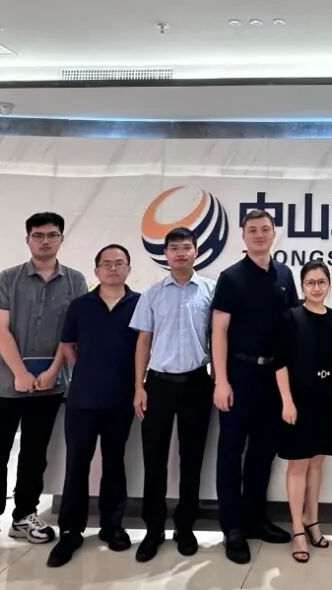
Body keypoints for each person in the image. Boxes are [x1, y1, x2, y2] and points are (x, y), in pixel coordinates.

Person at [0, 212, 88, 568]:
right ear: (28, 239)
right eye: (38, 235)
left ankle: (24, 515)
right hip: (4, 384)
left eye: (52, 235)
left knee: (35, 454)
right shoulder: (8, 279)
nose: (45, 241)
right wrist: (19, 372)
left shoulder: (76, 281)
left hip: (49, 385)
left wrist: (53, 371)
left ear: (61, 239)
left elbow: (72, 333)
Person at [211, 209, 298, 564]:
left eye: (265, 229)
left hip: (273, 377)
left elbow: (294, 326)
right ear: (243, 236)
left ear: (274, 234)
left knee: (263, 452)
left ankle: (255, 519)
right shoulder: (231, 277)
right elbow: (218, 331)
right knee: (231, 452)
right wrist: (221, 380)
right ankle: (232, 528)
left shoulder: (285, 275)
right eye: (253, 230)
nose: (259, 235)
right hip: (239, 374)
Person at [46, 244, 140, 567]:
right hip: (83, 399)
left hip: (121, 399)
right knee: (77, 465)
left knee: (114, 462)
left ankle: (112, 526)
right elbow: (67, 345)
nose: (113, 268)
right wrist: (85, 369)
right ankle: (70, 531)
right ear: (96, 270)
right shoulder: (80, 305)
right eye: (107, 263)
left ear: (129, 269)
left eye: (119, 263)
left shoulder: (140, 304)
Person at [130, 227, 216, 562]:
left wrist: (219, 378)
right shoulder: (152, 293)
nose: (180, 253)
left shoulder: (210, 290)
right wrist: (139, 386)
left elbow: (218, 338)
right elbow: (143, 342)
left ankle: (185, 526)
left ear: (196, 251)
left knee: (192, 460)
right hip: (159, 385)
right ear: (165, 254)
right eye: (174, 248)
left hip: (197, 384)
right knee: (154, 460)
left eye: (186, 247)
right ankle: (153, 529)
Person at [275, 261, 332, 563]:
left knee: (317, 463)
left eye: (321, 282)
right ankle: (297, 528)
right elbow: (280, 363)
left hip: (327, 397)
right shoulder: (291, 317)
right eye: (310, 282)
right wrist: (286, 400)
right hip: (299, 398)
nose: (316, 288)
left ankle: (313, 520)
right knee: (298, 464)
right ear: (302, 286)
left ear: (328, 284)